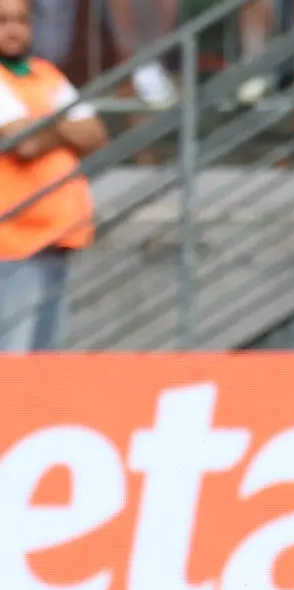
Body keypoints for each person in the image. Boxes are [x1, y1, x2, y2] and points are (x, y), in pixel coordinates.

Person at [0, 0, 108, 351]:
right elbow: (25, 144)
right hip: (13, 242)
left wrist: (43, 122)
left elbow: (95, 134)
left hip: (56, 238)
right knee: (14, 356)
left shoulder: (45, 72)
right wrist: (62, 121)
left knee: (46, 357)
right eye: (2, 21)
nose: (14, 29)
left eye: (22, 20)